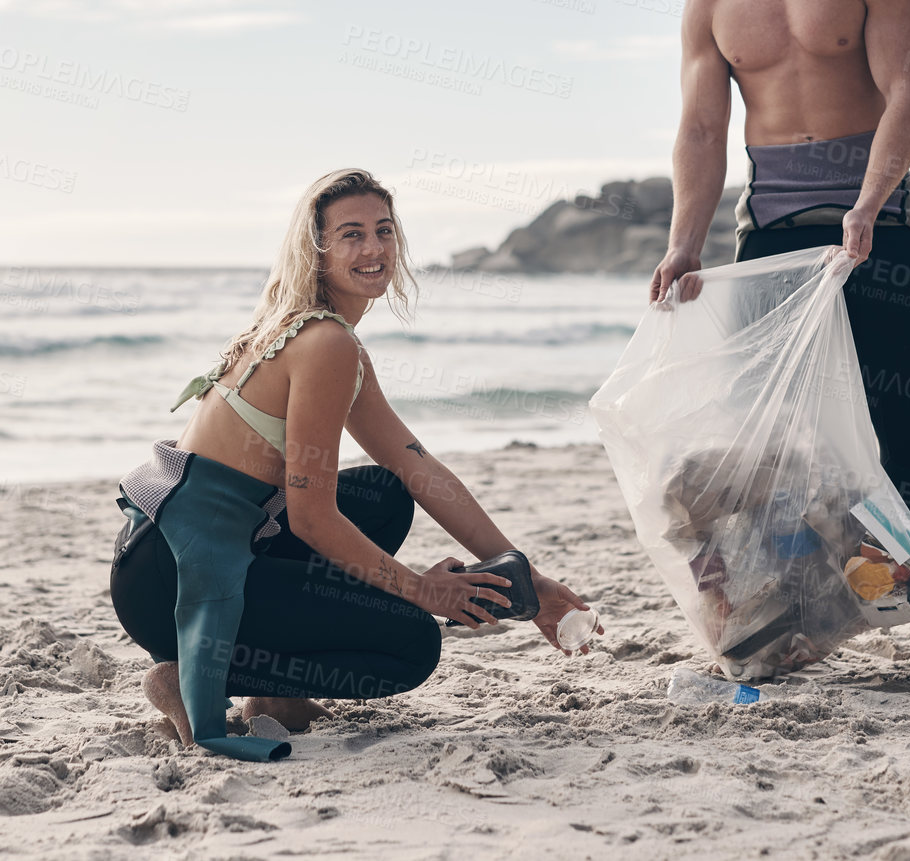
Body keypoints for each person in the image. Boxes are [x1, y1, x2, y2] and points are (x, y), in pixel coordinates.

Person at [646, 0, 910, 663]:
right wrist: (686, 238)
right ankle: (797, 609)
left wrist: (870, 200)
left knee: (895, 424)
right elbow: (703, 129)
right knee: (769, 437)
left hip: (880, 220)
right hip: (774, 231)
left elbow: (908, 90)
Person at [111, 168, 599, 759]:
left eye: (383, 231)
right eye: (350, 234)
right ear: (317, 251)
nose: (373, 249)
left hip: (158, 554)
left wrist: (521, 572)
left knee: (385, 493)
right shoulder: (326, 345)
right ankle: (189, 679)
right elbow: (314, 519)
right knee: (411, 644)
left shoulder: (320, 335)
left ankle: (274, 698)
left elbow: (418, 467)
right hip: (172, 575)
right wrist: (423, 592)